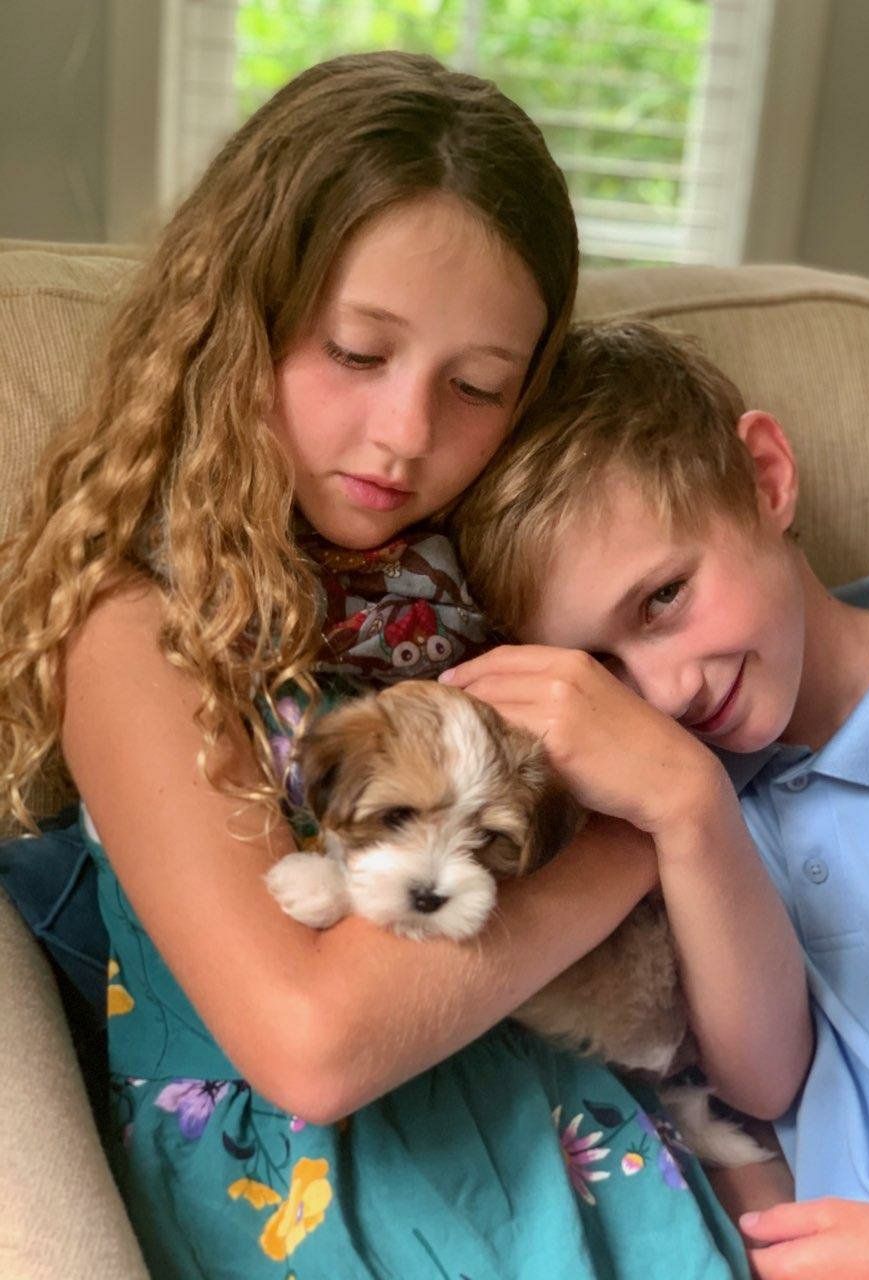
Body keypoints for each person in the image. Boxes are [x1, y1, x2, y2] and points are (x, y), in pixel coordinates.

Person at [0, 54, 750, 1279]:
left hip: (564, 1150)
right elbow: (312, 1043)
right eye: (356, 352)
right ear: (235, 321)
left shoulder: (508, 588)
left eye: (478, 386)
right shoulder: (136, 624)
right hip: (315, 1194)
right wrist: (636, 832)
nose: (406, 435)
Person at [445, 315, 869, 1279]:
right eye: (602, 671)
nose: (667, 691)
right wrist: (691, 805)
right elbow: (766, 1082)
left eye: (664, 598)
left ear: (765, 476)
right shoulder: (678, 813)